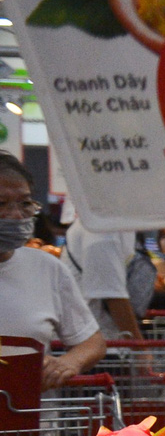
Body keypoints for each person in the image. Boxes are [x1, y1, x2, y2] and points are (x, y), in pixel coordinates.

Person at [0, 154, 104, 389]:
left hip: (30, 419)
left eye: (25, 203)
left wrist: (69, 362)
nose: (16, 215)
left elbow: (92, 341)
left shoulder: (48, 269)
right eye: (1, 204)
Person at [62, 221, 143, 340]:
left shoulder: (112, 226)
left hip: (96, 338)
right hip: (96, 341)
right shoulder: (102, 233)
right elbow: (113, 297)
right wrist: (141, 349)